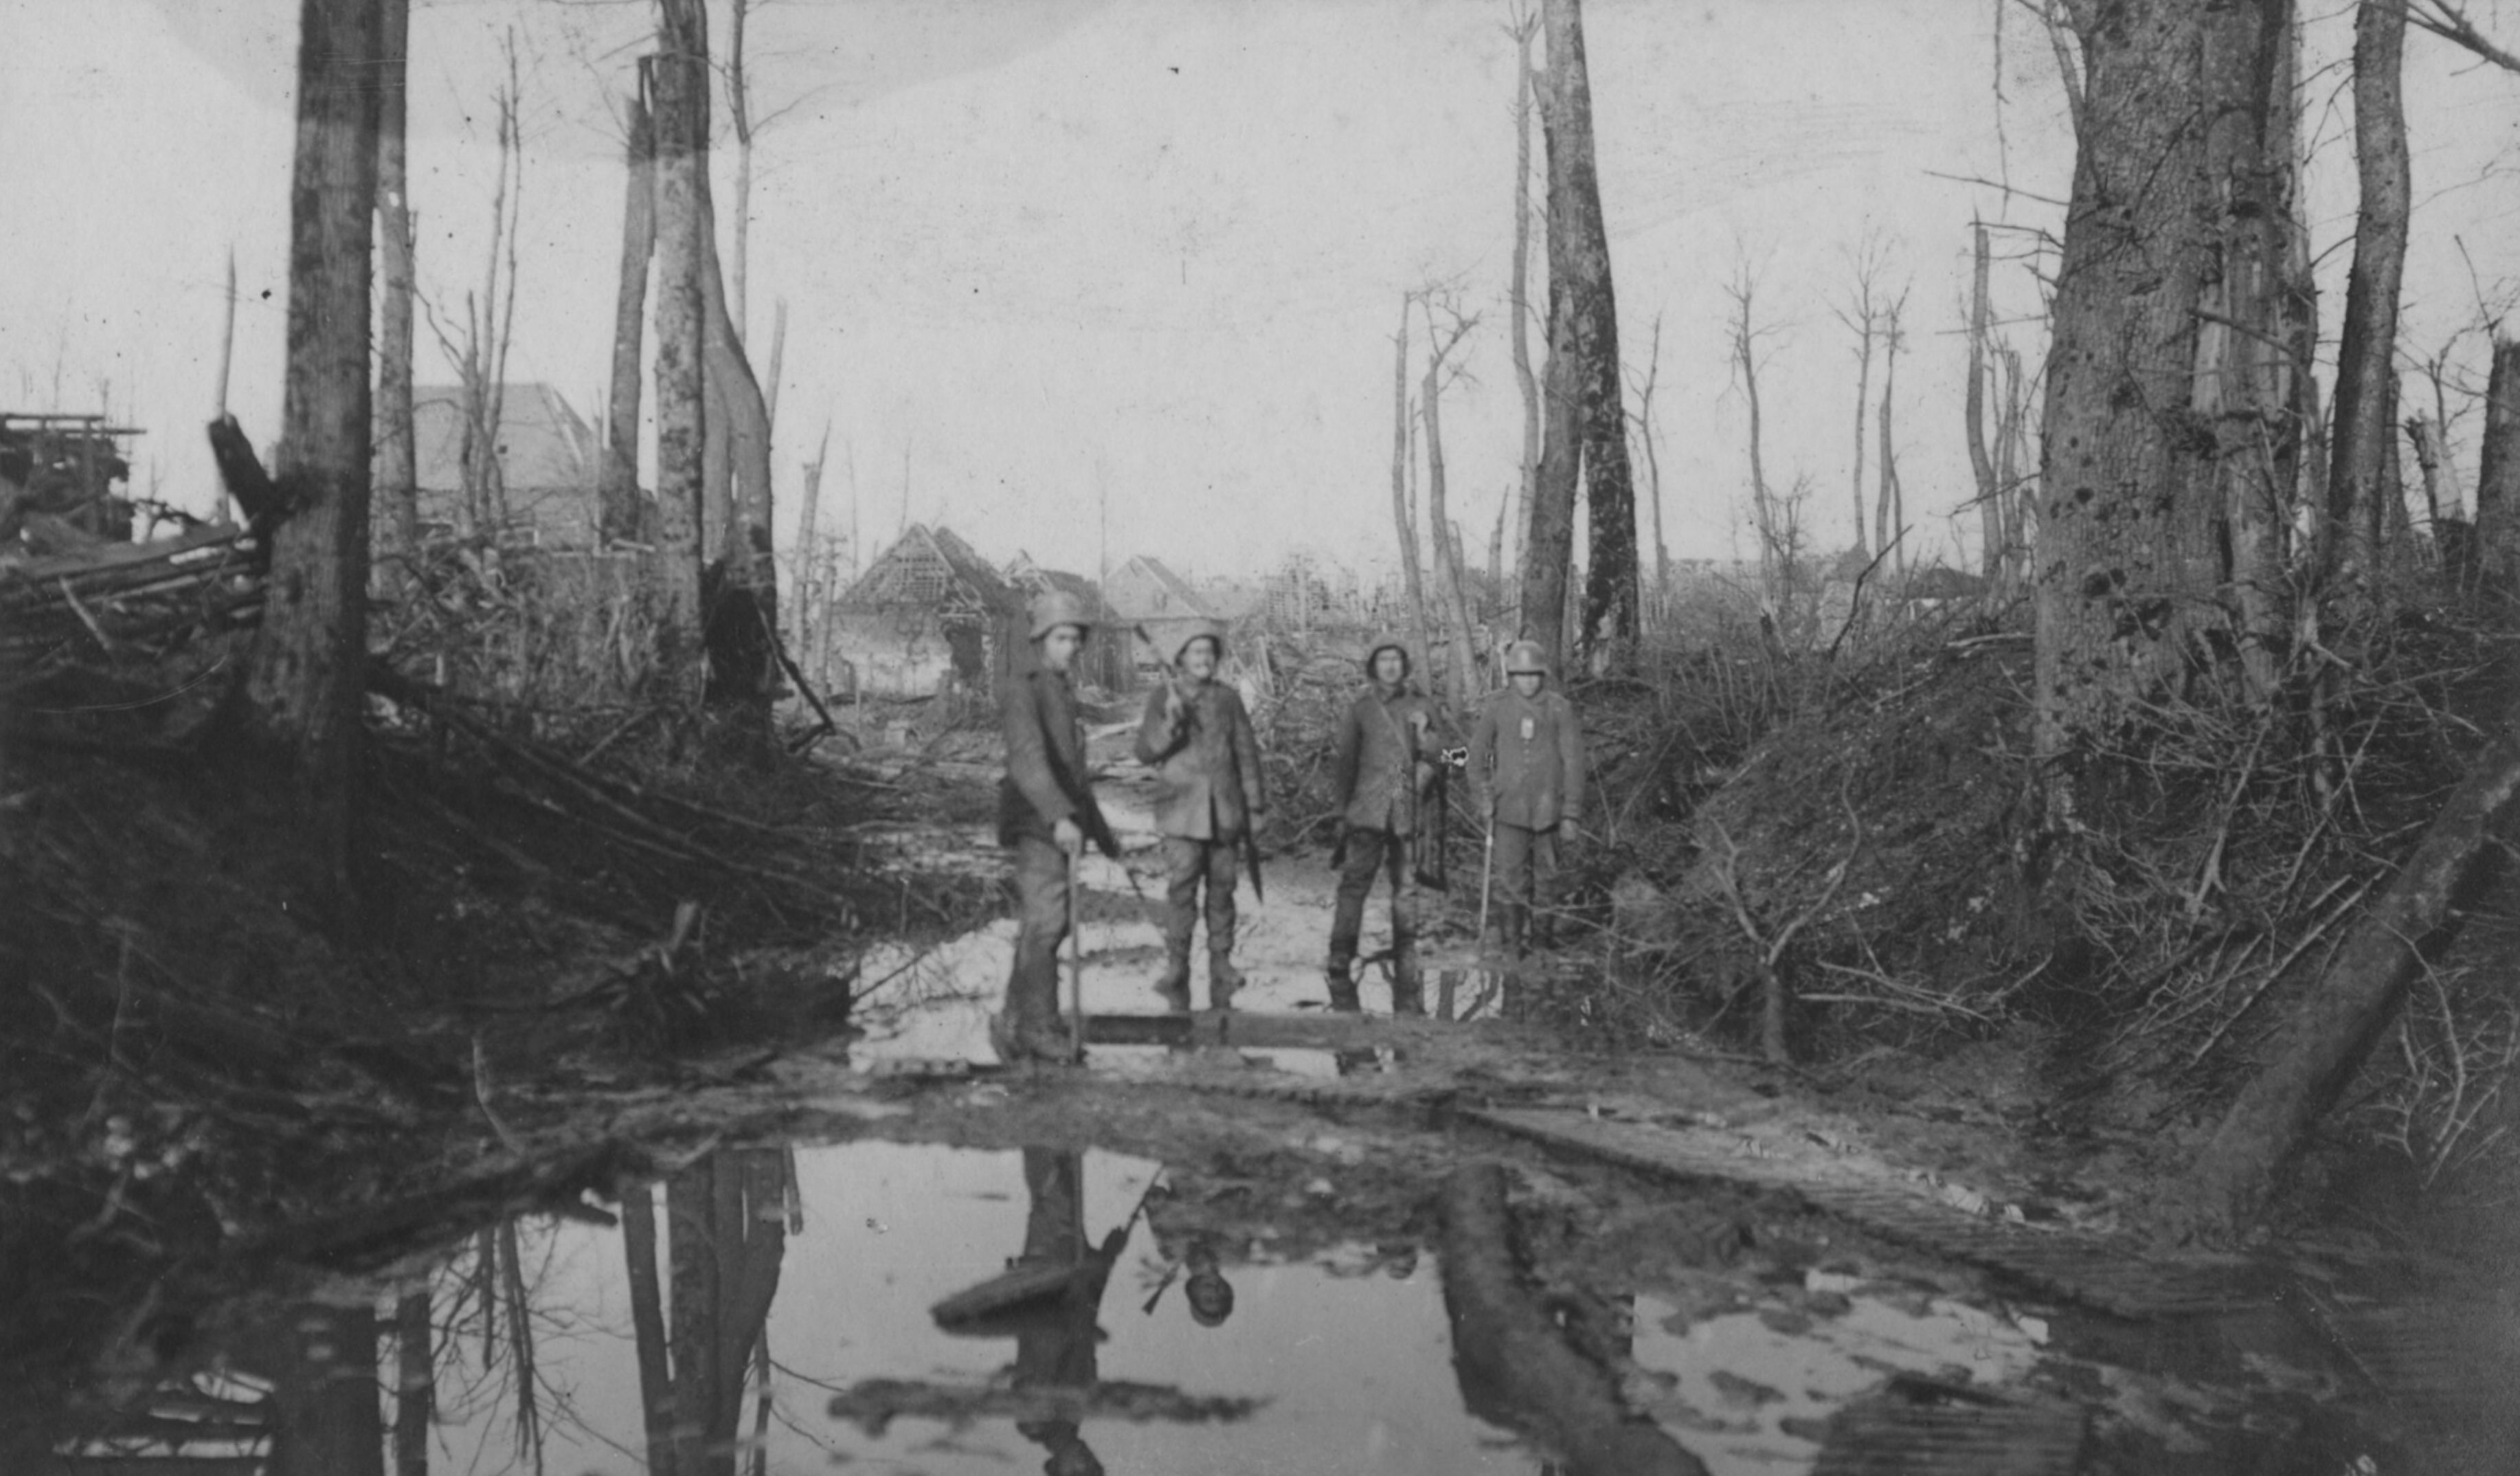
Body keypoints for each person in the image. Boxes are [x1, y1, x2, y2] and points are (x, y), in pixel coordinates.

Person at [996, 591, 1118, 1065]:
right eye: (1061, 637)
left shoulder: (1061, 690)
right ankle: (1039, 1029)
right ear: (1041, 639)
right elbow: (1029, 761)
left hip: (1054, 819)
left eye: (1075, 639)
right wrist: (1060, 818)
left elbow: (1073, 773)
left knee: (1042, 924)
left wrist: (1103, 834)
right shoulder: (1023, 688)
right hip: (1034, 820)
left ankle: (1014, 1018)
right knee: (1048, 922)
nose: (1070, 647)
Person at [1134, 620, 1267, 1013]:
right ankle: (1177, 966)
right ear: (1181, 658)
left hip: (1225, 811)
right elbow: (1145, 751)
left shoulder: (1228, 699)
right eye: (1196, 653)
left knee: (1223, 889)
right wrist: (1171, 724)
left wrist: (1256, 807)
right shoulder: (1163, 697)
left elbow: (1246, 754)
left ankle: (1222, 963)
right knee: (1182, 889)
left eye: (1209, 653)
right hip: (1181, 812)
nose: (1204, 659)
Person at [1325, 634, 1450, 1014]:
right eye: (1384, 660)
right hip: (1366, 811)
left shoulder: (1423, 704)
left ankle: (1406, 956)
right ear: (1373, 666)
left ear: (1405, 664)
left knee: (1406, 889)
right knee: (1353, 887)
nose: (1391, 666)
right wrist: (1340, 813)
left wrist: (1426, 738)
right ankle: (1339, 955)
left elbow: (1452, 756)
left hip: (1407, 812)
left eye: (1397, 658)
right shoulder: (1360, 709)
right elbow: (1345, 763)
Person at [1467, 639, 1587, 960]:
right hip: (1508, 810)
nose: (1528, 681)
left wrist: (1571, 813)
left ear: (1543, 674)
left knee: (1548, 878)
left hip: (1550, 811)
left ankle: (1542, 945)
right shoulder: (1497, 707)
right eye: (1521, 674)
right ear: (1511, 676)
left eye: (1534, 674)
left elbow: (1574, 762)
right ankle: (1511, 947)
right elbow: (1475, 758)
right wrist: (1483, 797)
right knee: (1510, 879)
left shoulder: (1560, 708)